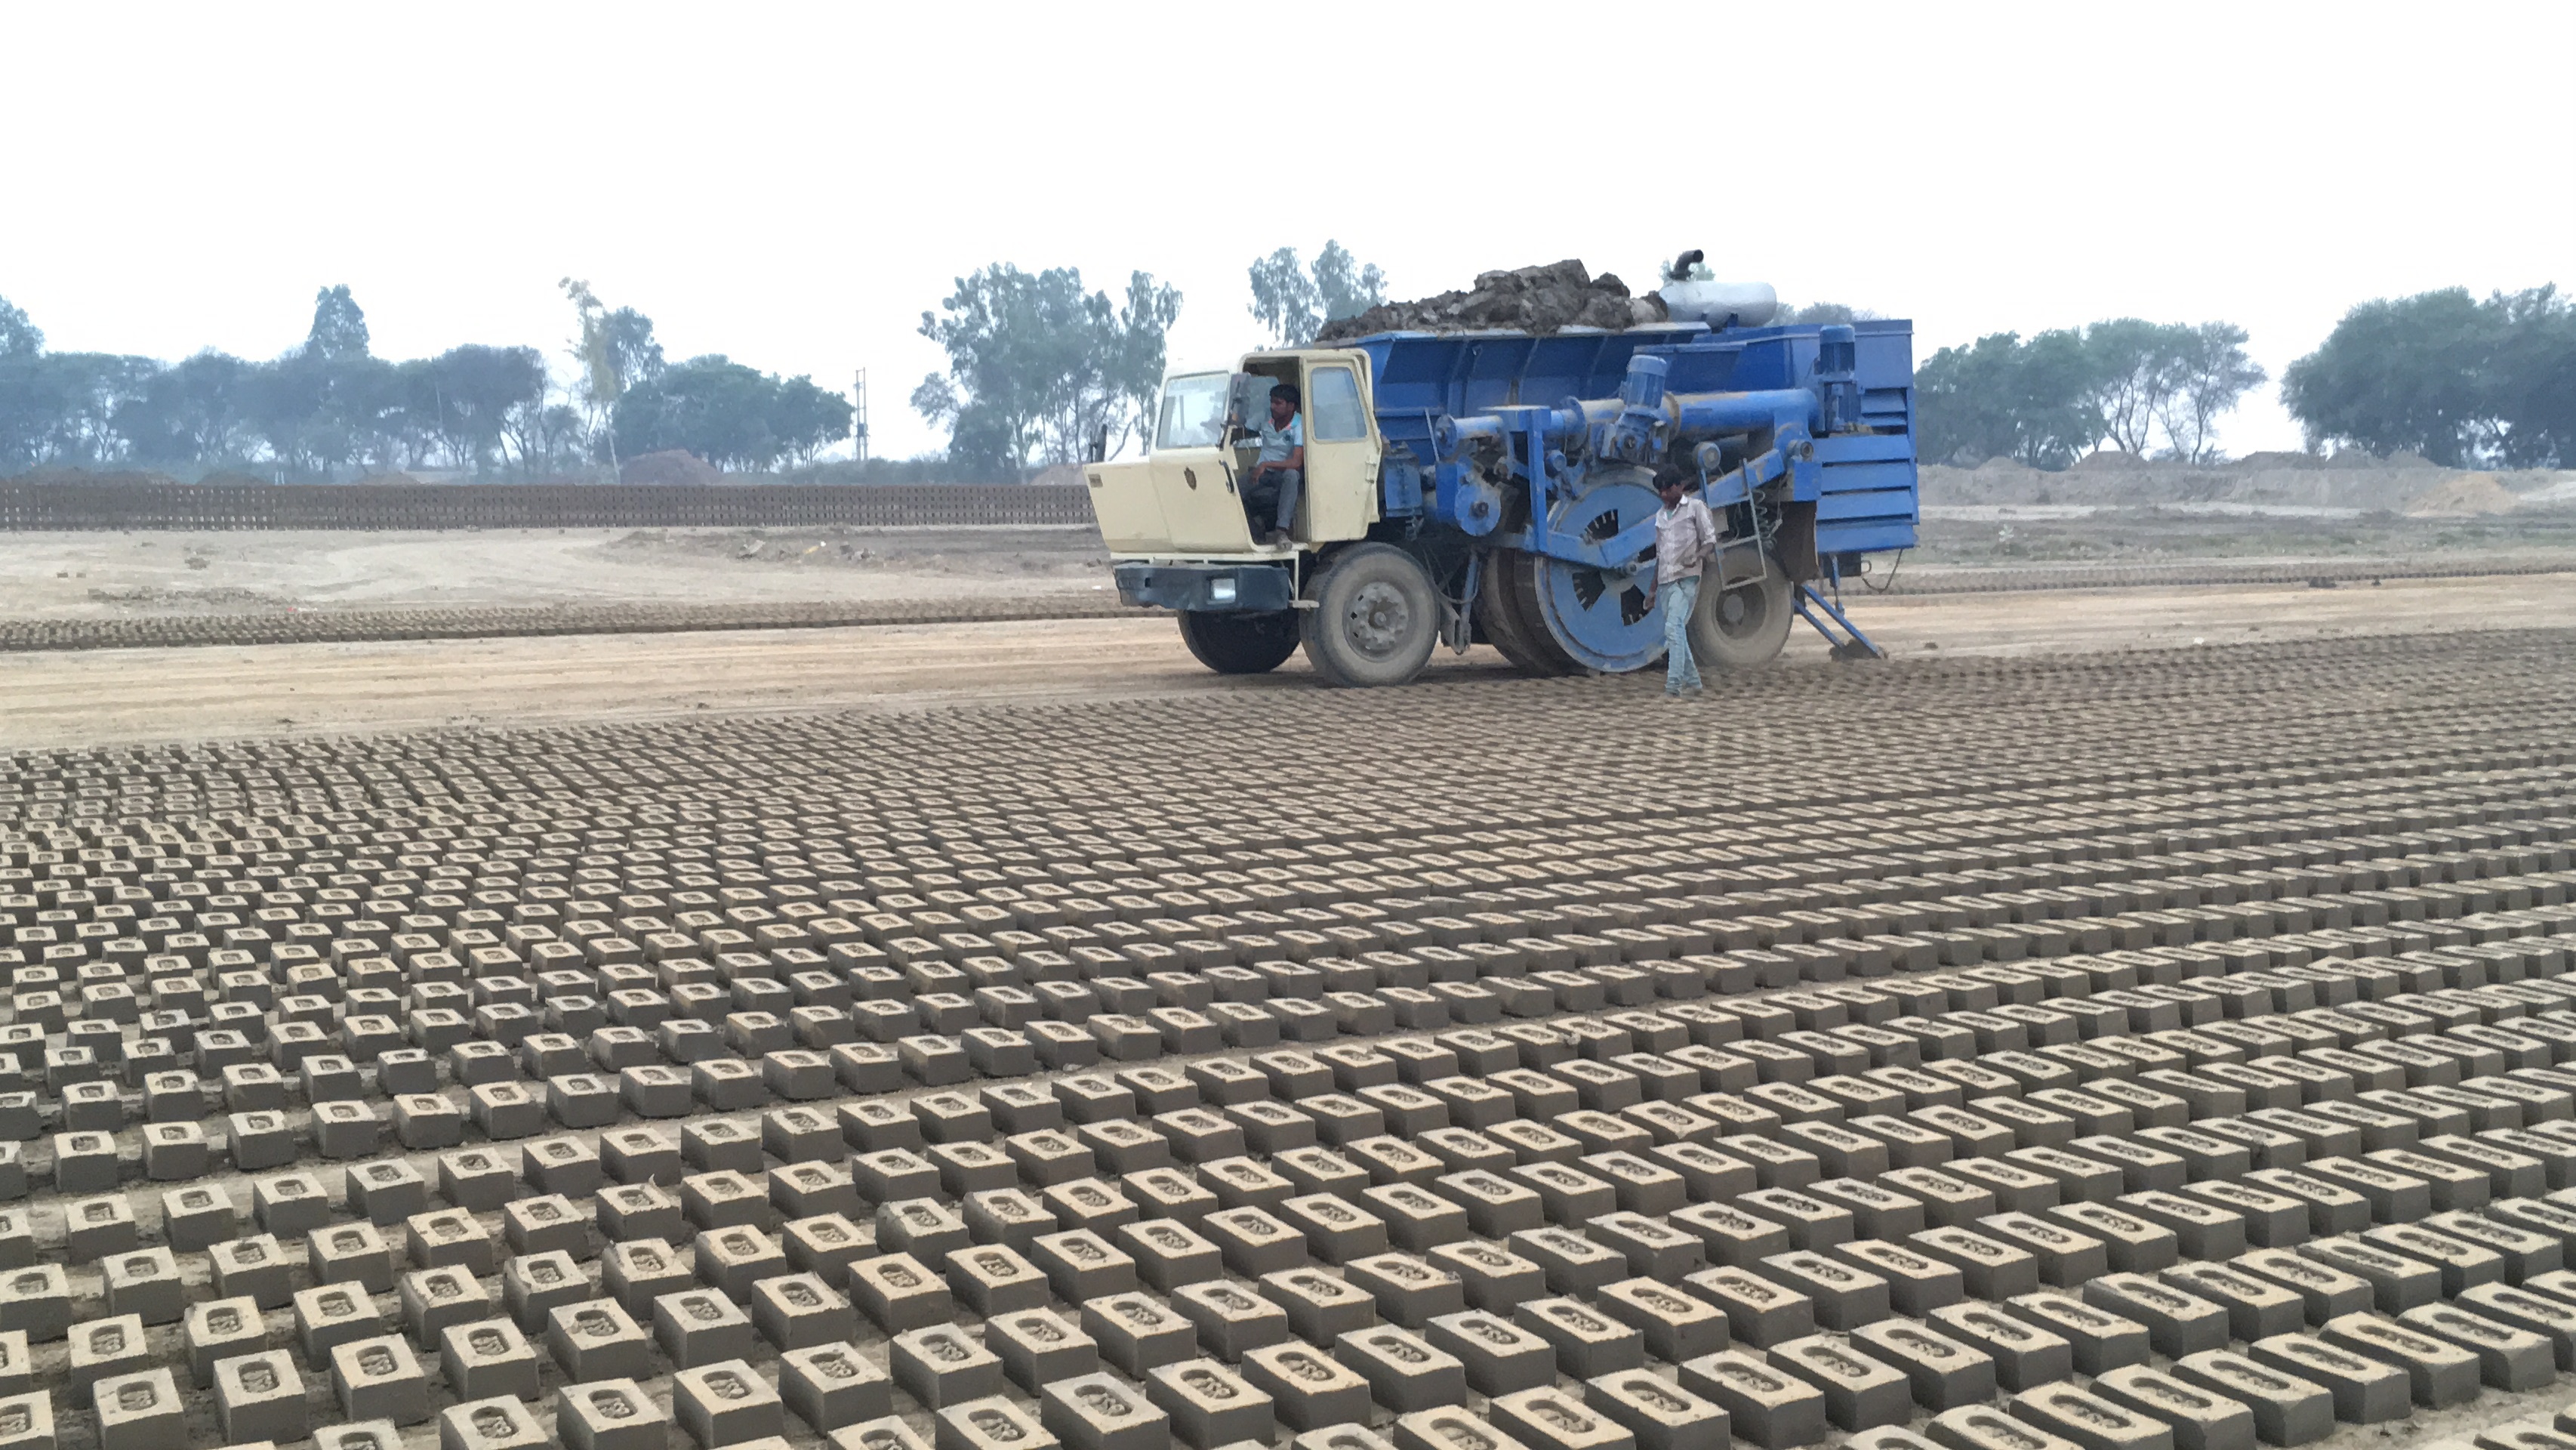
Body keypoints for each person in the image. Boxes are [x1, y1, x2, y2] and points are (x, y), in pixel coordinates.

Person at [1653, 475, 1718, 697]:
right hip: (1665, 580)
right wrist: (1653, 590)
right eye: (1660, 491)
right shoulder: (1660, 516)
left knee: (1672, 629)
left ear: (1680, 486)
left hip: (1687, 578)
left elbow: (1710, 541)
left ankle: (1673, 687)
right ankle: (1695, 683)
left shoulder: (1695, 508)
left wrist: (1697, 557)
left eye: (1668, 489)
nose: (1663, 494)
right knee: (1677, 630)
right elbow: (1659, 555)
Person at [1240, 384, 1303, 548]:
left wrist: (1266, 464)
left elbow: (1296, 462)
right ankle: (1254, 531)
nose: (1272, 406)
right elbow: (1243, 432)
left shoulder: (1300, 425)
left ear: (1291, 406)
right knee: (1232, 489)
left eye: (1278, 403)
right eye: (1271, 402)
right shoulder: (1265, 417)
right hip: (1262, 472)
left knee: (1292, 475)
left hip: (1282, 474)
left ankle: (1281, 532)